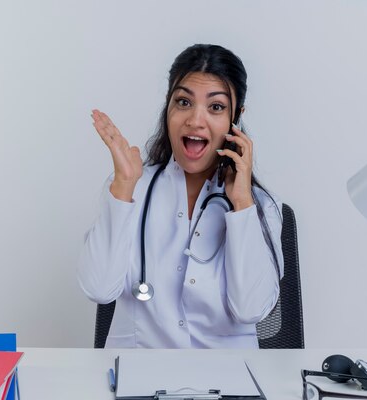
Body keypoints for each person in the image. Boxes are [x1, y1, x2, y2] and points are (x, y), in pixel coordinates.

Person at [78, 44, 284, 348]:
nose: (195, 120)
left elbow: (251, 309)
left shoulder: (258, 205)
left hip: (226, 383)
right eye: (184, 102)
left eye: (216, 107)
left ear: (235, 119)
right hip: (139, 380)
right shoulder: (132, 186)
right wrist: (122, 185)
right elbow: (98, 289)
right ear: (168, 107)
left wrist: (242, 206)